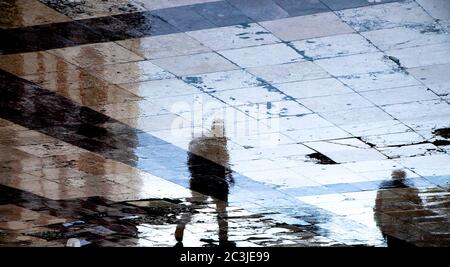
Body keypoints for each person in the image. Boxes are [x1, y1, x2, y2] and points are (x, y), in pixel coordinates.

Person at [175, 119, 235, 247]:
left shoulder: (198, 142)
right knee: (221, 209)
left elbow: (191, 162)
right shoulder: (220, 143)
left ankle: (181, 224)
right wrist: (230, 175)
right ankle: (223, 238)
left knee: (195, 204)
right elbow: (224, 161)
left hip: (199, 179)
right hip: (217, 180)